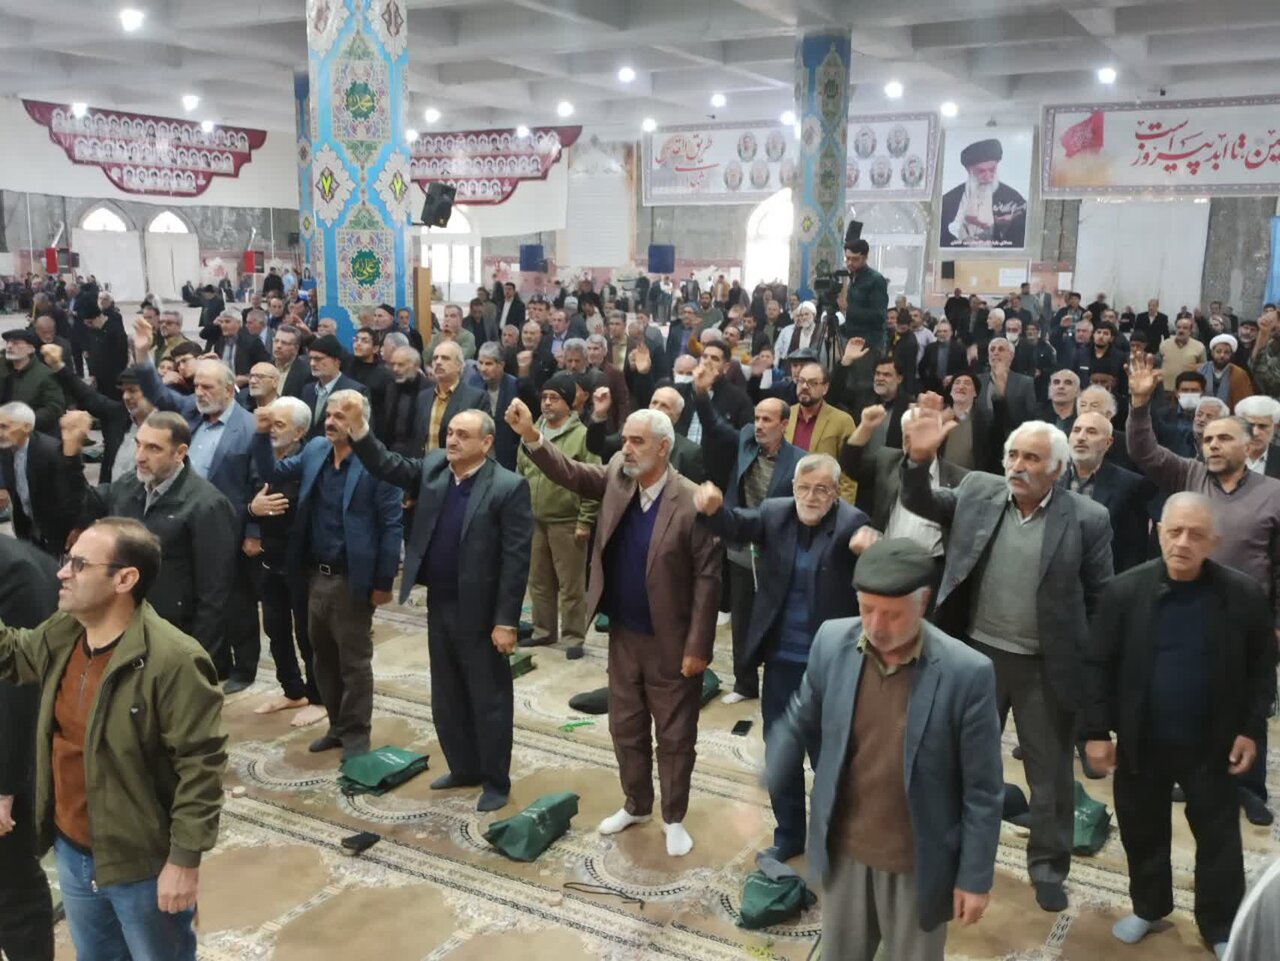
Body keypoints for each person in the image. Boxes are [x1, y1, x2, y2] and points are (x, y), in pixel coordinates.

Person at [900, 413, 1113, 912]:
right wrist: (918, 460)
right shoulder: (979, 490)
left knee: (1050, 776)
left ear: (1057, 470)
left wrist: (1095, 685)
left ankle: (1048, 867)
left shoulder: (1087, 518)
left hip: (1044, 666)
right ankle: (950, 853)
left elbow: (1101, 599)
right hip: (974, 656)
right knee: (956, 761)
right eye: (1013, 455)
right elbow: (921, 501)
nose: (1018, 466)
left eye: (1032, 458)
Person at [0, 517, 227, 961]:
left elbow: (201, 769)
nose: (62, 573)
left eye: (80, 565)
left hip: (140, 863)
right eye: (67, 560)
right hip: (73, 850)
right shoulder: (65, 632)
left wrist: (184, 861)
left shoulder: (174, 660)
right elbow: (13, 655)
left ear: (125, 579)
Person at [767, 537, 1003, 961]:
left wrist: (974, 878)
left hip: (917, 860)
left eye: (892, 615)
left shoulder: (966, 673)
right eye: (866, 609)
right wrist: (772, 767)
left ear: (923, 602)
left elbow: (983, 790)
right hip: (845, 849)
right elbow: (801, 714)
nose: (876, 626)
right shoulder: (831, 642)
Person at [505, 398, 721, 856]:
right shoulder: (618, 478)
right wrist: (531, 436)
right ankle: (636, 804)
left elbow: (708, 580)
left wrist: (698, 647)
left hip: (671, 640)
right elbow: (570, 473)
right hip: (623, 634)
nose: (626, 448)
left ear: (664, 447)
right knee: (625, 727)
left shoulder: (690, 500)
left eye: (637, 441)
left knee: (674, 736)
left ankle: (674, 818)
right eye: (625, 439)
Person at [1082, 493, 1275, 958]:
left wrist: (1250, 729)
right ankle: (1149, 907)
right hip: (1140, 740)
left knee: (1219, 839)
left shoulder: (1244, 595)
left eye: (1196, 534)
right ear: (1158, 533)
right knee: (1142, 828)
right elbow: (1096, 665)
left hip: (1213, 743)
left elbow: (1261, 670)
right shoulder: (1124, 592)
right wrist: (1095, 731)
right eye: (1175, 531)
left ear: (1214, 542)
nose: (1183, 542)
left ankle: (1220, 923)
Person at [345, 402, 531, 811]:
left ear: (486, 443)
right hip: (440, 603)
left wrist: (506, 621)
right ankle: (463, 767)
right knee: (446, 694)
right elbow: (388, 465)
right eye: (450, 432)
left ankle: (495, 781)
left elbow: (516, 560)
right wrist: (360, 430)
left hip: (482, 612)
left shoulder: (508, 486)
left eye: (463, 435)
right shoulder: (434, 468)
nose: (452, 440)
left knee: (488, 699)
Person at [1127, 352, 1280, 824]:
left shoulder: (1274, 493)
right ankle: (1192, 772)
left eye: (1223, 438)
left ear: (1250, 445)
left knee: (1247, 702)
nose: (1212, 445)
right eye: (1208, 438)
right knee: (1193, 695)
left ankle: (1248, 788)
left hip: (1249, 617)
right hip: (1189, 606)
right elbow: (1144, 452)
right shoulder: (1190, 475)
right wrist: (1139, 405)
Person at [695, 454, 869, 859]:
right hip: (782, 663)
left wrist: (870, 549)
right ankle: (789, 836)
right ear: (792, 488)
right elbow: (736, 526)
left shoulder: (851, 523)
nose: (811, 496)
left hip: (830, 667)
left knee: (829, 759)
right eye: (803, 488)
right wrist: (714, 509)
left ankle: (831, 840)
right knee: (781, 753)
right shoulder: (776, 513)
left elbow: (876, 562)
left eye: (821, 489)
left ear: (837, 492)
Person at [250, 391, 403, 761]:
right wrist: (260, 435)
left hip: (352, 578)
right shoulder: (317, 449)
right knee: (323, 658)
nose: (331, 422)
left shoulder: (378, 463)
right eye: (329, 415)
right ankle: (336, 725)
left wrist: (383, 583)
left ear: (360, 421)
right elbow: (273, 473)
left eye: (341, 416)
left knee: (353, 661)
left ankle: (356, 735)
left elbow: (391, 526)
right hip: (313, 575)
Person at [694, 360, 800, 704]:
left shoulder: (799, 461)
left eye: (767, 420)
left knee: (776, 620)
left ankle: (781, 685)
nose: (759, 425)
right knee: (741, 619)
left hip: (776, 551)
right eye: (757, 418)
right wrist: (700, 394)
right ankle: (744, 683)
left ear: (784, 424)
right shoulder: (744, 440)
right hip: (740, 545)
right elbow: (713, 426)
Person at [245, 398, 326, 728]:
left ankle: (319, 697)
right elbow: (248, 498)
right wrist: (253, 511)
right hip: (269, 559)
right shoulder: (260, 453)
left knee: (308, 635)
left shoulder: (311, 459)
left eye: (279, 425)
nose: (272, 431)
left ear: (300, 432)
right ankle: (293, 690)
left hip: (301, 563)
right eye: (270, 423)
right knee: (275, 629)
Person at [0, 537, 58, 961]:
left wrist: (5, 787)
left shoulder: (15, 571)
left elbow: (20, 689)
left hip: (10, 759)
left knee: (12, 885)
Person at [517, 372, 599, 656]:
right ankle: (543, 631)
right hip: (535, 519)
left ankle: (574, 637)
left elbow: (592, 481)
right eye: (544, 397)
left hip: (567, 521)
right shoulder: (530, 432)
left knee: (571, 585)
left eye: (554, 398)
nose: (547, 403)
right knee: (538, 582)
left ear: (569, 403)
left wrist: (585, 520)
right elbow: (520, 472)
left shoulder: (582, 436)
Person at [1063, 412, 1153, 573]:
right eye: (1076, 430)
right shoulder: (1051, 478)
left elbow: (1134, 550)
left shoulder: (1129, 485)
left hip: (1104, 578)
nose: (1081, 437)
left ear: (1108, 442)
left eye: (1091, 432)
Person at [0, 401, 82, 556]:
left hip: (56, 531)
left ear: (26, 427)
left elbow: (74, 493)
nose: (0, 433)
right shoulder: (6, 449)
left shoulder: (51, 452)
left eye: (4, 427)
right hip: (27, 526)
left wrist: (78, 526)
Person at [785, 362, 857, 502]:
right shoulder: (786, 415)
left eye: (812, 383)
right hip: (787, 497)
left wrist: (842, 509)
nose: (804, 386)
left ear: (825, 388)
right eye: (801, 381)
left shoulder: (842, 421)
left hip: (822, 500)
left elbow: (848, 477)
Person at [940, 138, 1028, 248]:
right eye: (981, 171)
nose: (987, 176)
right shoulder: (948, 201)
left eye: (992, 170)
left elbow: (1021, 242)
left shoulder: (1013, 199)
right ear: (969, 170)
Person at [301, 334, 367, 439]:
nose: (312, 363)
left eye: (318, 359)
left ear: (336, 361)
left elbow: (361, 432)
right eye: (311, 358)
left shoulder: (355, 391)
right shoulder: (307, 390)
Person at [0, 328, 65, 434]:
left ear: (30, 349)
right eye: (8, 342)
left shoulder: (44, 374)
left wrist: (26, 420)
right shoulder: (3, 368)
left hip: (30, 433)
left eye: (16, 343)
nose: (9, 346)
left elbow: (54, 407)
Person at [840, 233, 889, 352]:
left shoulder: (876, 280)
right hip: (852, 341)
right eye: (848, 258)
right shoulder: (853, 277)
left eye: (855, 259)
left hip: (870, 344)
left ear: (865, 257)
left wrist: (848, 309)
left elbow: (879, 316)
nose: (850, 263)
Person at [1236, 395, 1280, 478]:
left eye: (1263, 426)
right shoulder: (1223, 454)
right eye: (1250, 425)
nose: (1255, 432)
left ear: (1275, 428)